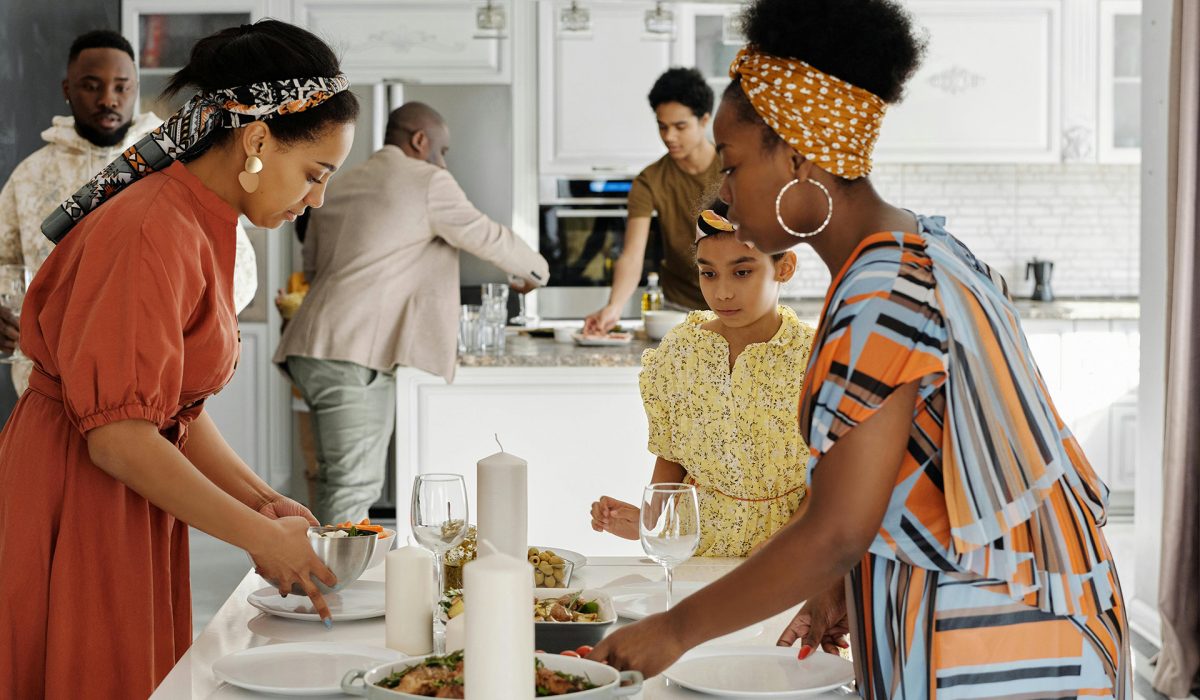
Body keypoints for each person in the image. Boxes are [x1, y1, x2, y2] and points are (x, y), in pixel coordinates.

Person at [588, 0, 1131, 696]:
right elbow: (917, 472)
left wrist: (673, 629)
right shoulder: (920, 248)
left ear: (799, 159)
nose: (723, 189)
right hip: (1039, 614)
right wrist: (841, 583)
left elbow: (836, 531)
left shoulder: (880, 292)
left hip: (996, 642)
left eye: (733, 163)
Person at [0, 20, 359, 699]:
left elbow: (171, 411)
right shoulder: (149, 228)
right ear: (257, 140)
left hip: (121, 487)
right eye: (315, 175)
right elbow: (119, 437)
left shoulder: (199, 217)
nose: (318, 199)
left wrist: (263, 502)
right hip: (77, 491)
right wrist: (258, 536)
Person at [274, 101, 550, 525]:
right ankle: (332, 570)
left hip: (312, 346)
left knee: (334, 482)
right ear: (420, 140)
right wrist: (537, 271)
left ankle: (325, 565)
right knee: (352, 488)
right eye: (443, 150)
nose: (444, 162)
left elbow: (312, 268)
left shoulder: (341, 183)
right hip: (353, 354)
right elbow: (486, 236)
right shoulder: (427, 181)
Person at [0, 29, 258, 395]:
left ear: (135, 89)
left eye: (121, 87)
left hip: (150, 381)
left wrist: (175, 327)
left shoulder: (181, 168)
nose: (108, 99)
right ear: (67, 89)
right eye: (91, 86)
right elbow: (5, 263)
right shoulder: (29, 175)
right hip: (45, 384)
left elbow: (237, 270)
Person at [589, 205, 815, 557]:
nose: (722, 292)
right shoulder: (680, 352)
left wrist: (778, 548)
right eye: (708, 274)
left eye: (742, 272)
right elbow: (672, 455)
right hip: (695, 548)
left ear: (784, 267)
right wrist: (647, 522)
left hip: (792, 553)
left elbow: (833, 482)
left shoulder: (814, 358)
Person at [583, 67, 722, 333]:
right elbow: (632, 255)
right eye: (662, 126)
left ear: (704, 120)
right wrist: (614, 307)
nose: (669, 136)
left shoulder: (734, 170)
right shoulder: (650, 180)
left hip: (736, 303)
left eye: (680, 126)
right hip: (679, 309)